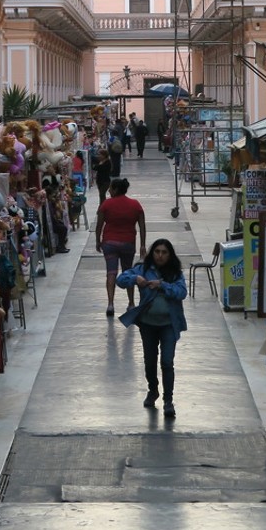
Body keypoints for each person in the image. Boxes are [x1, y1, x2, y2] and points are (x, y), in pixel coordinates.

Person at [117, 239, 187, 418]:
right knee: (149, 361)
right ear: (152, 253)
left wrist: (163, 285)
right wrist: (135, 279)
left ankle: (168, 400)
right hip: (148, 324)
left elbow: (182, 292)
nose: (160, 255)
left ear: (169, 255)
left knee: (166, 362)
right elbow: (120, 279)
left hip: (169, 325)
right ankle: (153, 389)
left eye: (164, 252)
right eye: (157, 252)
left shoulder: (175, 273)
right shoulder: (143, 269)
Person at [95, 176, 146, 317]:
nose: (109, 190)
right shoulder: (135, 205)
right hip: (128, 243)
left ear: (116, 189)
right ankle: (130, 303)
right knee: (128, 272)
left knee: (111, 272)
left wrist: (97, 240)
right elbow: (142, 225)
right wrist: (142, 244)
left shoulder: (106, 205)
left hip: (109, 243)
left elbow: (99, 225)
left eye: (110, 188)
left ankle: (110, 304)